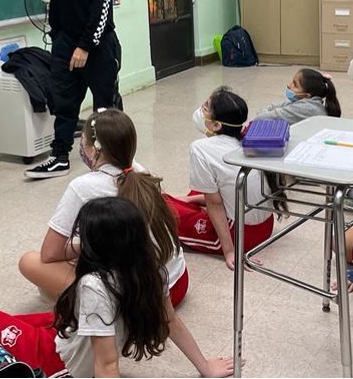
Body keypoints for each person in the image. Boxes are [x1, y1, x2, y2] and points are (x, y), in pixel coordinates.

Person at [0, 198, 235, 378]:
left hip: (54, 362)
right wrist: (204, 366)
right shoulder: (148, 267)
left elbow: (107, 363)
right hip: (65, 333)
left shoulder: (94, 287)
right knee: (19, 318)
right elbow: (171, 322)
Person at [20, 108, 190, 308]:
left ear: (93, 149)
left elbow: (49, 253)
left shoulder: (82, 186)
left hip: (144, 301)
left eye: (82, 143)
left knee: (30, 262)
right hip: (178, 282)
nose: (81, 148)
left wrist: (92, 247)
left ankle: (87, 308)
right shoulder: (139, 172)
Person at [25, 0, 121, 179]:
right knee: (64, 101)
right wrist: (58, 37)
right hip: (65, 43)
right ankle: (59, 156)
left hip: (97, 44)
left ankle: (113, 156)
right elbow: (58, 1)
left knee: (105, 105)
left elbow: (101, 9)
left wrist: (85, 46)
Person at [164, 86, 288, 270]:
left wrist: (230, 251)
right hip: (264, 225)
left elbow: (214, 203)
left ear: (216, 125)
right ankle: (190, 203)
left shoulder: (201, 148)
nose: (200, 109)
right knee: (199, 189)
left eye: (205, 107)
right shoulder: (248, 136)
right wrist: (191, 199)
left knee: (157, 206)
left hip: (240, 234)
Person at [253, 68, 341, 124]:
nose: (289, 85)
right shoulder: (306, 101)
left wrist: (269, 110)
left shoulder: (307, 108)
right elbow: (277, 106)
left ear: (307, 95)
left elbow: (259, 119)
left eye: (295, 85)